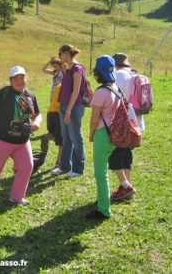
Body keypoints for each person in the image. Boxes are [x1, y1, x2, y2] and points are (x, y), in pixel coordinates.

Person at [0, 66, 42, 206]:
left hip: (22, 141)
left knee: (27, 166)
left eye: (22, 78)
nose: (20, 81)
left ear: (26, 78)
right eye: (16, 79)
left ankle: (17, 197)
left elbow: (37, 114)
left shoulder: (30, 95)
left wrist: (37, 122)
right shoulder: (4, 93)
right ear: (11, 81)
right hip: (1, 140)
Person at [87, 55, 121, 220]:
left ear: (98, 72)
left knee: (101, 174)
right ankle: (103, 200)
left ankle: (103, 210)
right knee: (104, 171)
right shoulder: (115, 87)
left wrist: (91, 135)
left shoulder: (100, 92)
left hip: (102, 135)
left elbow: (94, 121)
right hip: (114, 134)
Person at [108, 53, 144, 201]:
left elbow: (114, 97)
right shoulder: (134, 74)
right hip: (137, 122)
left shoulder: (119, 75)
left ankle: (125, 186)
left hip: (123, 123)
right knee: (126, 154)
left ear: (115, 64)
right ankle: (125, 186)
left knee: (115, 154)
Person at [51, 44, 86, 178]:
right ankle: (64, 166)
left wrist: (68, 111)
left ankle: (77, 168)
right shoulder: (69, 68)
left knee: (76, 137)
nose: (59, 57)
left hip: (73, 108)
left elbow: (76, 91)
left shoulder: (77, 69)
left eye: (60, 54)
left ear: (66, 53)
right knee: (66, 138)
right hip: (64, 106)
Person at [42, 57, 64, 167]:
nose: (54, 67)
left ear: (60, 65)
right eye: (53, 66)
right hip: (54, 95)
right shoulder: (55, 72)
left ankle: (59, 161)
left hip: (60, 96)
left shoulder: (64, 73)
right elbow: (43, 69)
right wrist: (49, 60)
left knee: (60, 135)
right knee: (58, 134)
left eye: (55, 65)